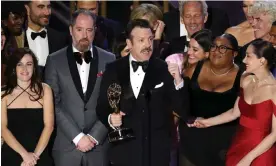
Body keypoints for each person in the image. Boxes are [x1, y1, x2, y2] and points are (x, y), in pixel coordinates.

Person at [96, 19, 189, 166]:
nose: (147, 45)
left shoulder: (164, 69)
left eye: (150, 39)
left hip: (156, 154)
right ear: (129, 43)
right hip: (125, 152)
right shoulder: (113, 69)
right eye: (141, 40)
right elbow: (102, 106)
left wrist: (178, 81)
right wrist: (110, 119)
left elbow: (182, 110)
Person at [44, 9, 115, 166]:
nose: (84, 35)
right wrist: (77, 137)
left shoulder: (109, 59)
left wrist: (94, 136)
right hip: (66, 148)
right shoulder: (54, 60)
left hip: (99, 148)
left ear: (95, 31)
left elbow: (111, 102)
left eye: (89, 30)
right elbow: (53, 104)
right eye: (79, 29)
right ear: (71, 30)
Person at [192, 39, 276, 166]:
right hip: (239, 145)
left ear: (262, 60)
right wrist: (207, 122)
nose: (243, 61)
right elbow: (235, 112)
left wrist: (248, 159)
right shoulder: (246, 79)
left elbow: (275, 134)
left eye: (248, 56)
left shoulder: (274, 90)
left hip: (261, 153)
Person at [177, 33, 242, 166]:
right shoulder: (195, 68)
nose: (216, 51)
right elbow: (178, 99)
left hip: (224, 145)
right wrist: (186, 117)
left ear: (234, 54)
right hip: (192, 140)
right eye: (213, 47)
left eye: (223, 48)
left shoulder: (243, 76)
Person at [1, 47, 54, 166]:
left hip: (40, 155)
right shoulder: (3, 94)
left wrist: (34, 157)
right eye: (20, 64)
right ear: (14, 68)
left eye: (29, 64)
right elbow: (3, 129)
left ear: (34, 67)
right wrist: (25, 155)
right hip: (12, 156)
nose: (25, 69)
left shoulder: (45, 90)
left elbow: (49, 126)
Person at [24, 0, 68, 77]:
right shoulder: (17, 39)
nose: (47, 12)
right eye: (41, 7)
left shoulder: (60, 39)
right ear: (27, 9)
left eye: (49, 7)